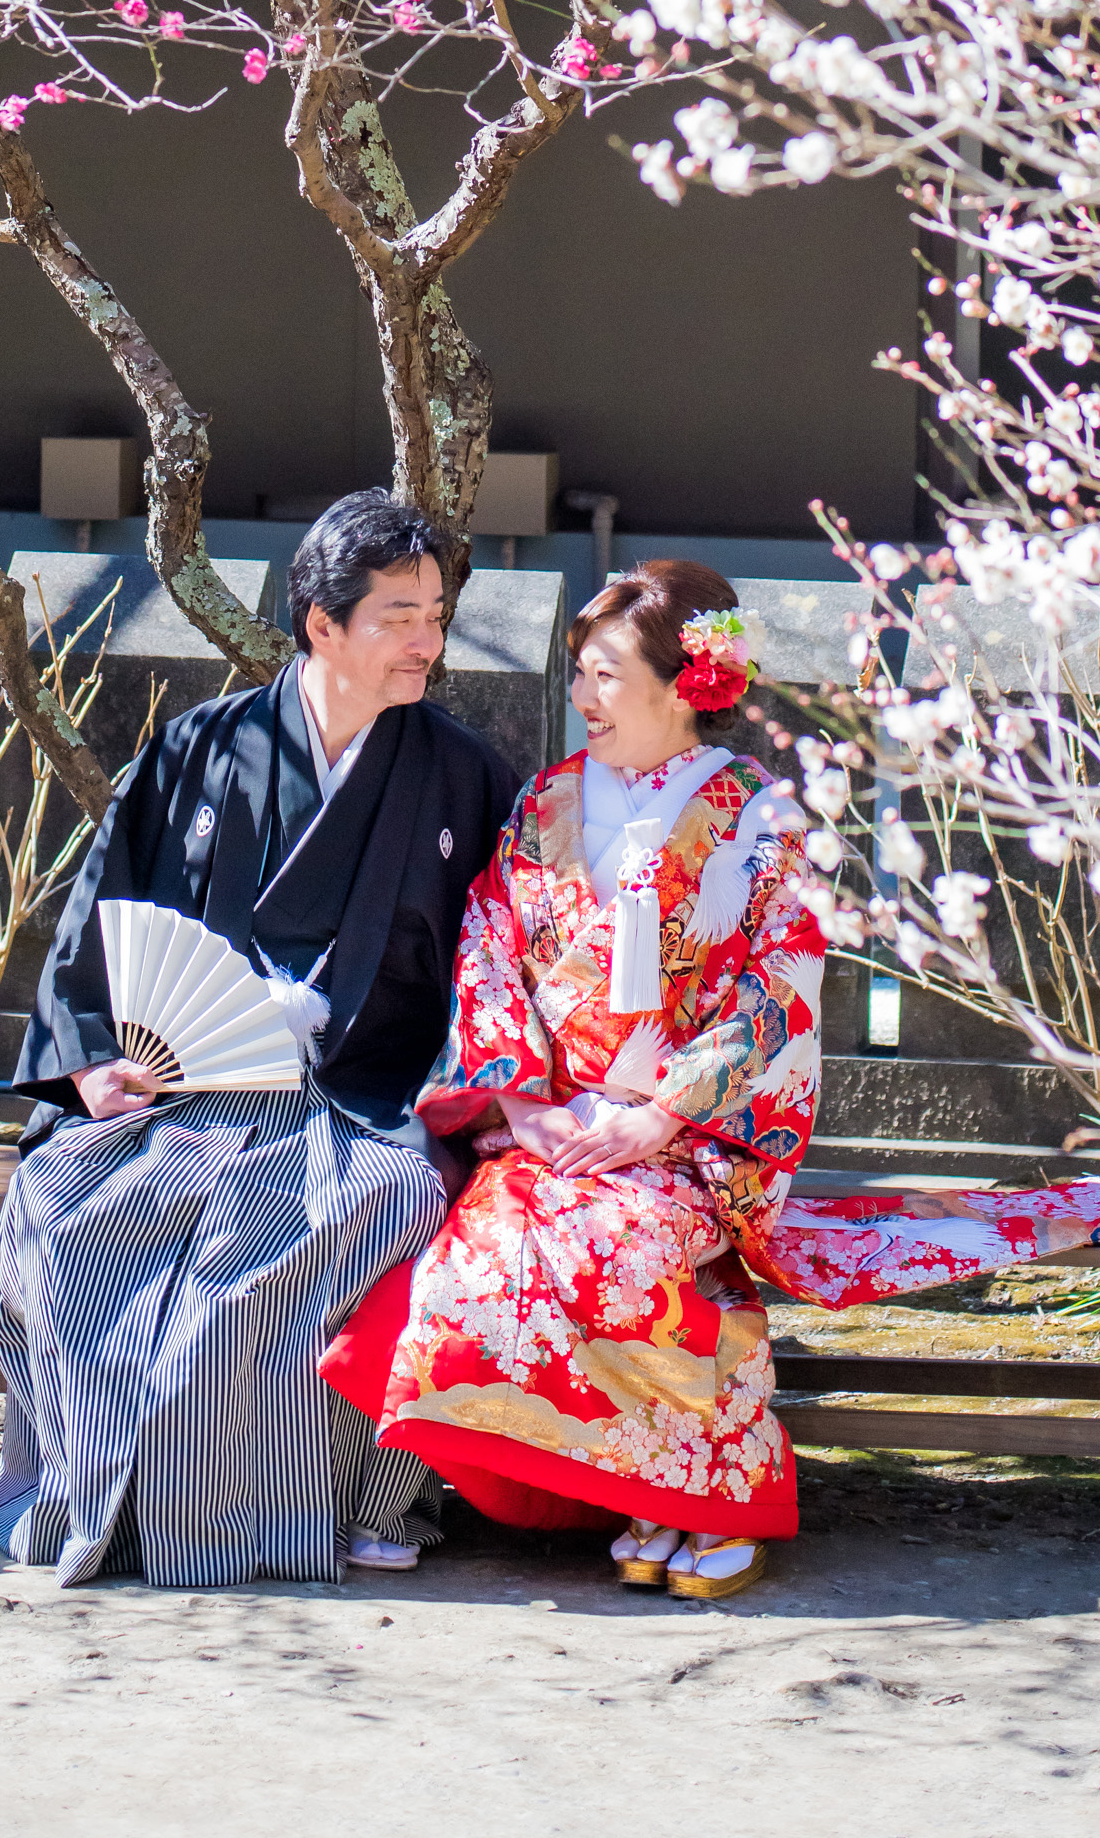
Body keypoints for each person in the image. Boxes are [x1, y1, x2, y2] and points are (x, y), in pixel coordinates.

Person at [0, 487, 517, 1590]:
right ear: (322, 623)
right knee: (60, 1207)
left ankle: (334, 1503)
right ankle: (110, 1500)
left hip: (358, 1097)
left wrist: (455, 1095)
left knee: (386, 1206)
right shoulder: (201, 748)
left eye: (436, 615)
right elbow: (97, 914)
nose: (427, 641)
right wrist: (90, 1061)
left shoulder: (464, 776)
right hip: (183, 1088)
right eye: (400, 617)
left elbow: (498, 968)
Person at [320, 557, 821, 1601]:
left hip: (684, 1138)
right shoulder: (546, 799)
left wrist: (661, 1117)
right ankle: (621, 1492)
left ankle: (701, 1496)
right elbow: (487, 943)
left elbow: (780, 986)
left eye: (606, 675)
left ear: (685, 683)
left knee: (622, 1253)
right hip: (551, 1124)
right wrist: (522, 1102)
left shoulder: (759, 818)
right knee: (482, 1258)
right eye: (580, 672)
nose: (584, 696)